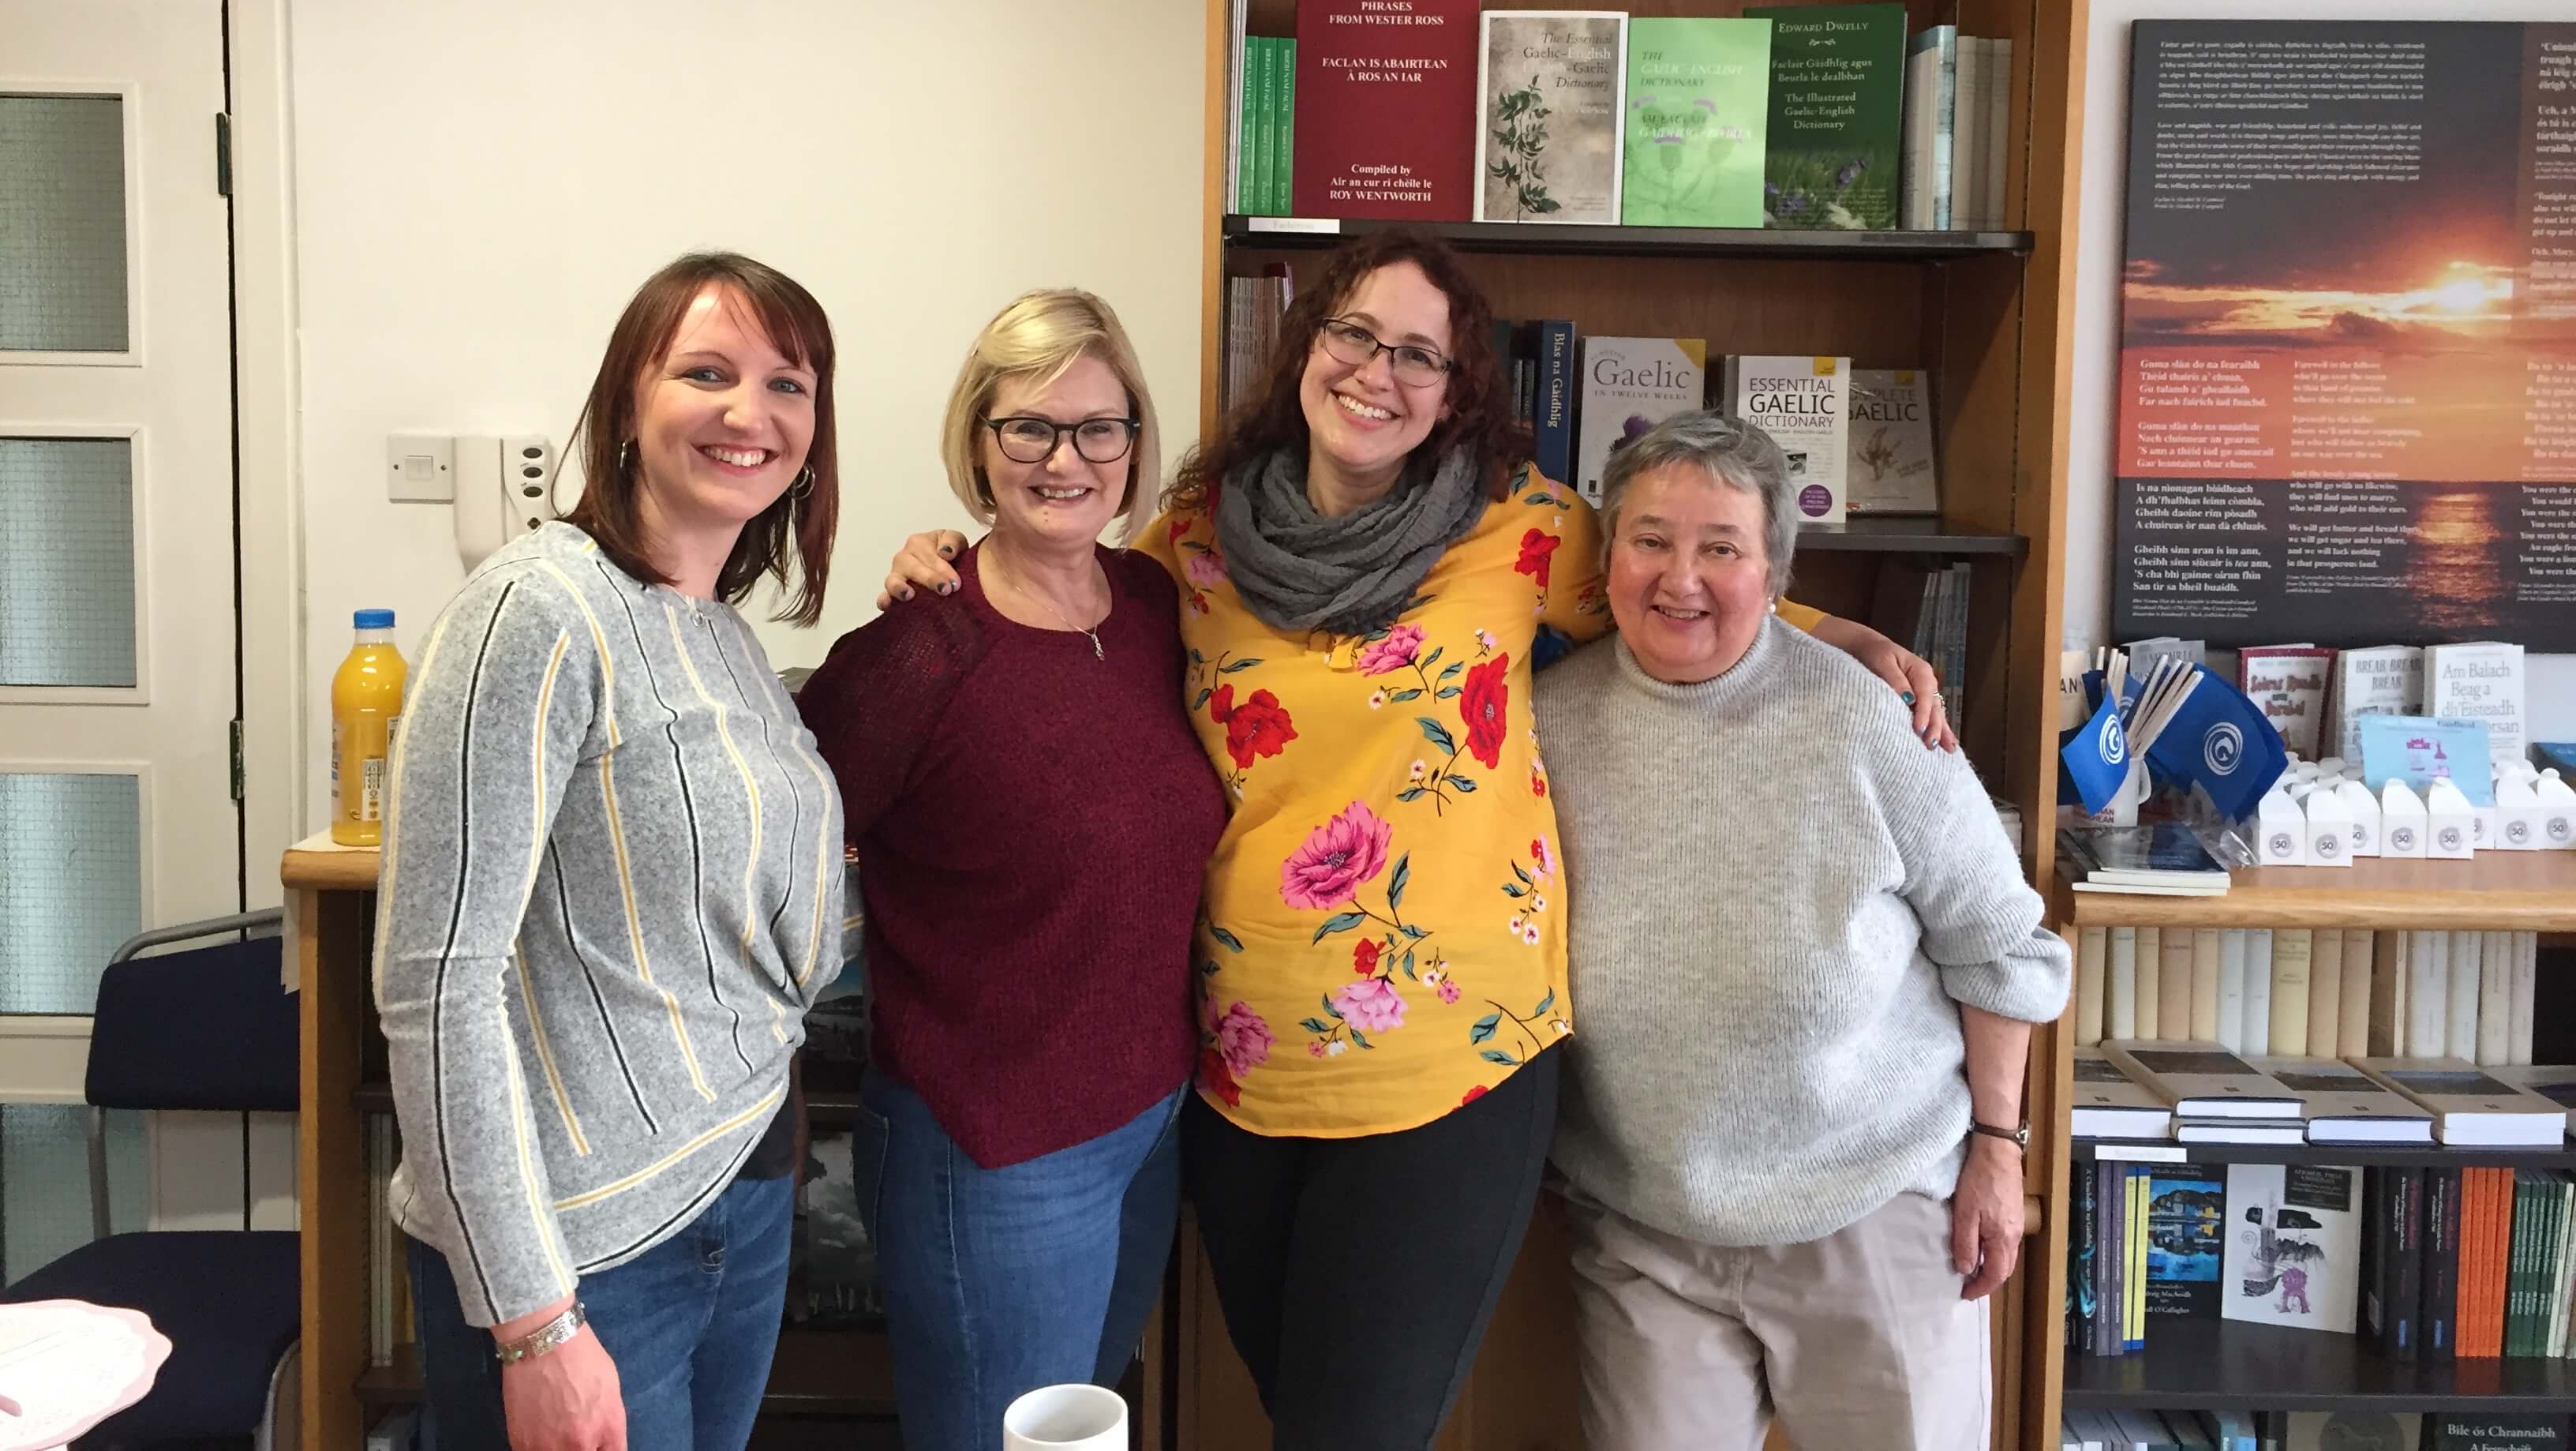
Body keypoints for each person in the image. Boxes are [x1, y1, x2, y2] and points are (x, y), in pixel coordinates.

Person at [878, 231, 1951, 1450]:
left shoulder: (1521, 527)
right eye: (1354, 336)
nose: (1376, 373)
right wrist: (946, 561)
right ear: (1307, 346)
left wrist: (1840, 637)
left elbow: (1682, 586)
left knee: (1353, 1433)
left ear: (1456, 389)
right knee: (1300, 1404)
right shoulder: (1195, 534)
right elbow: (1062, 598)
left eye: (1417, 355)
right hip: (1240, 1071)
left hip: (1453, 1069)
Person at [376, 252, 846, 1451]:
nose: (753, 413)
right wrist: (533, 1323)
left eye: (788, 384)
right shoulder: (536, 608)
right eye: (708, 372)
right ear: (627, 402)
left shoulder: (715, 632)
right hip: (584, 1259)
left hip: (736, 1194)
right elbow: (436, 984)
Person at [1533, 411, 2071, 1451]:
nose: (1679, 578)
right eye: (1650, 539)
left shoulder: (1873, 721)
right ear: (1606, 561)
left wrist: (2000, 1154)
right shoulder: (1541, 724)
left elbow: (1999, 947)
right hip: (1645, 1231)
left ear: (1777, 572)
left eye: (1721, 549)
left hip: (1874, 1216)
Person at [794, 291, 1227, 1451]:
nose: (1065, 458)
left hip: (1148, 1122)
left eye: (1099, 427)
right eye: (1028, 427)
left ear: (1135, 443)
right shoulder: (915, 651)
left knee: (1080, 1438)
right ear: (976, 444)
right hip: (992, 1149)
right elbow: (768, 850)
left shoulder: (1150, 605)